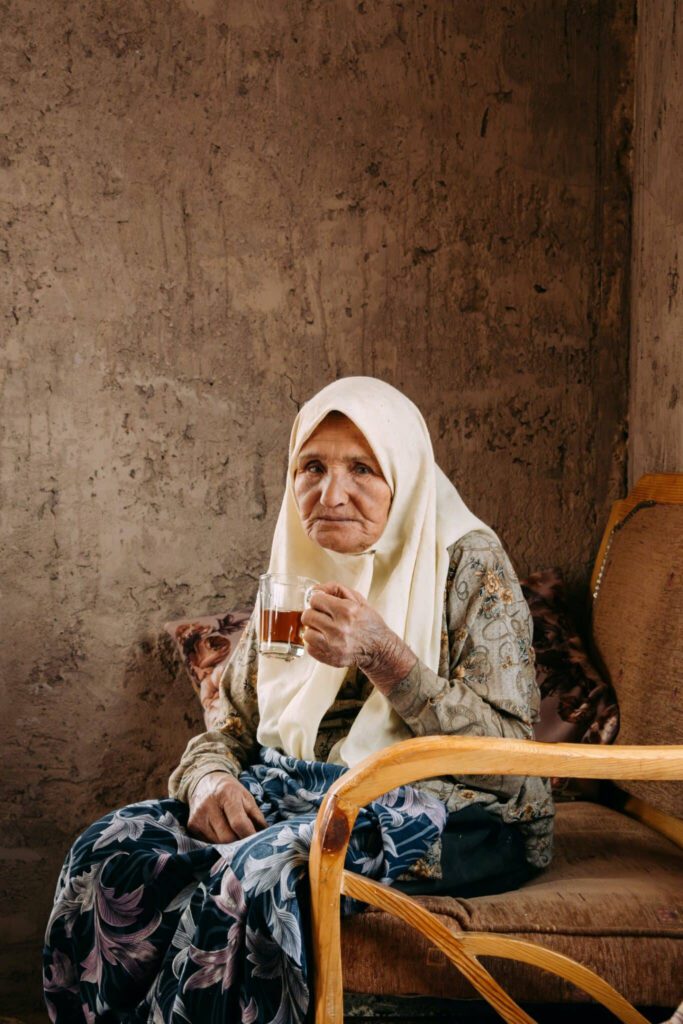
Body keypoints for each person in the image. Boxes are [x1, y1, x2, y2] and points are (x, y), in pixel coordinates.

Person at [44, 377, 554, 1023]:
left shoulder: (466, 562)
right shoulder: (294, 568)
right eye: (312, 467)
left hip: (451, 814)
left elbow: (509, 758)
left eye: (362, 468)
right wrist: (207, 780)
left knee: (257, 876)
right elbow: (232, 726)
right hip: (303, 794)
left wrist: (383, 655)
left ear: (405, 474)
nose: (331, 494)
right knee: (109, 849)